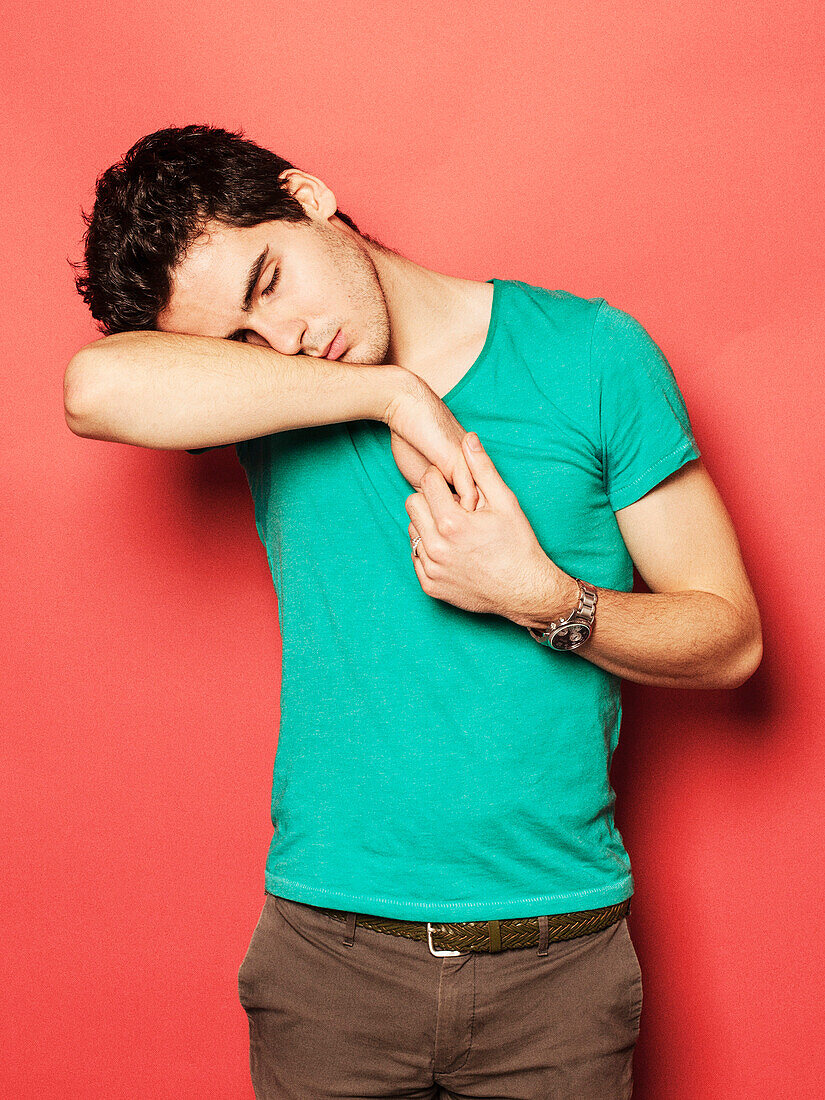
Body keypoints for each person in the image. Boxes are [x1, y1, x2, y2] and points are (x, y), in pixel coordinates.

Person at [66, 125, 763, 1100]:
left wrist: (545, 598)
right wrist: (392, 394)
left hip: (557, 961)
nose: (285, 339)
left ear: (307, 195)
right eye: (239, 339)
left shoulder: (590, 353)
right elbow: (92, 388)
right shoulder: (278, 397)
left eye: (268, 283)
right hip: (330, 965)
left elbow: (731, 638)